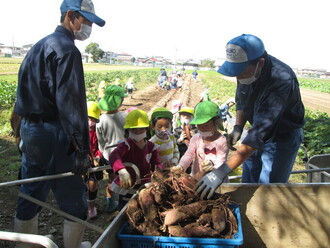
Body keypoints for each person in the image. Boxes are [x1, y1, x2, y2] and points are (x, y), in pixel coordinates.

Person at [12, 0, 105, 247]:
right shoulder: (67, 50)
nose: (88, 27)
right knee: (73, 194)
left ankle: (24, 244)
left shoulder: (39, 46)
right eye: (85, 21)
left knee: (31, 190)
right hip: (56, 133)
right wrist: (82, 150)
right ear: (71, 16)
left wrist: (20, 131)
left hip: (31, 130)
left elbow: (22, 94)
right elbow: (70, 105)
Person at [196, 34, 305, 199]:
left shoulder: (281, 80)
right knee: (249, 179)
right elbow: (242, 100)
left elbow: (258, 135)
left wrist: (222, 171)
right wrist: (238, 127)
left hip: (282, 136)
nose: (238, 77)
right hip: (256, 130)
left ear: (260, 63)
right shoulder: (247, 71)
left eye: (240, 72)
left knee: (269, 188)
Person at [109, 109, 163, 209]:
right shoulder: (126, 145)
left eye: (141, 129)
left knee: (144, 206)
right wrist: (121, 170)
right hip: (127, 184)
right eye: (133, 129)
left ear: (146, 129)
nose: (137, 131)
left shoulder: (151, 146)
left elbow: (156, 162)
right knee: (125, 208)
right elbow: (114, 156)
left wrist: (158, 173)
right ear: (128, 130)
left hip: (145, 184)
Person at [173, 101, 228, 177]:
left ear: (216, 122)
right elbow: (189, 155)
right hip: (196, 177)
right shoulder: (196, 138)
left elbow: (220, 162)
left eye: (206, 125)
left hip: (215, 179)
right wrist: (181, 166)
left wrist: (211, 167)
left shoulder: (222, 141)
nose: (202, 128)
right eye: (199, 125)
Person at [96, 85, 127, 213]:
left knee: (112, 178)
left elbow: (101, 141)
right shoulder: (125, 117)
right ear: (120, 101)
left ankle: (110, 202)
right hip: (125, 153)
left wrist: (104, 152)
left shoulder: (101, 120)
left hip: (109, 154)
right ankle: (123, 203)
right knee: (125, 178)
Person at [85, 101, 103, 219]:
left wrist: (98, 156)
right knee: (82, 183)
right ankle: (83, 203)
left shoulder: (99, 130)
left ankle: (91, 206)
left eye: (93, 119)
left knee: (93, 183)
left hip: (96, 161)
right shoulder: (80, 130)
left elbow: (102, 144)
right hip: (83, 160)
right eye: (88, 118)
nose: (91, 122)